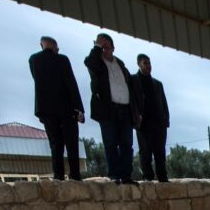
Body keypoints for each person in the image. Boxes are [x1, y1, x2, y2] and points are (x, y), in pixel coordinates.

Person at [84, 33, 140, 184]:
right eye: (102, 47)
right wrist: (97, 47)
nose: (104, 49)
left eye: (107, 46)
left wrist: (136, 111)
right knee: (110, 143)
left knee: (127, 144)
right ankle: (114, 175)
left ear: (113, 48)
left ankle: (126, 175)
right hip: (108, 109)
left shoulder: (120, 64)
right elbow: (90, 62)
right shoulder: (97, 64)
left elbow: (131, 86)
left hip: (125, 109)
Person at [29, 36, 84, 181]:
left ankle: (58, 176)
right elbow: (71, 83)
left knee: (55, 144)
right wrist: (79, 108)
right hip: (66, 108)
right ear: (55, 47)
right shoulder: (62, 60)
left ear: (42, 45)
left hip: (47, 109)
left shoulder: (34, 60)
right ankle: (75, 175)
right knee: (71, 143)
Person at [133, 54, 169, 182]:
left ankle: (162, 177)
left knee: (160, 152)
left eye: (149, 63)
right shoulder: (133, 80)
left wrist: (166, 121)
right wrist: (136, 118)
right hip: (143, 124)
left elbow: (164, 103)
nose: (148, 66)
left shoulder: (158, 84)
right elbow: (132, 102)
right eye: (145, 63)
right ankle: (148, 177)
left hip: (159, 123)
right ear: (139, 64)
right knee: (145, 152)